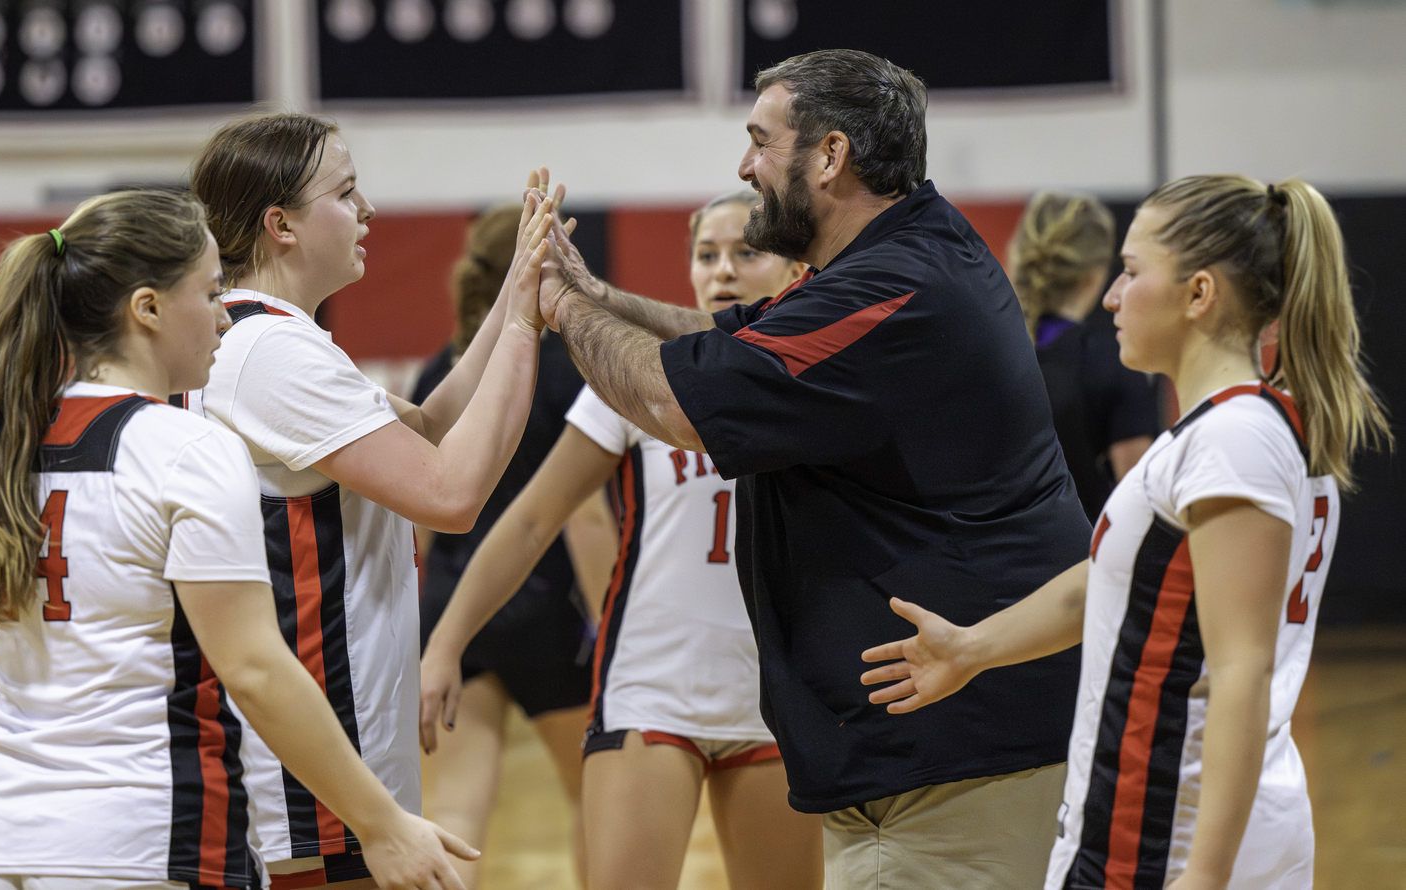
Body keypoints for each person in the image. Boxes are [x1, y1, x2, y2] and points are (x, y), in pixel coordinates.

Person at [533, 49, 1091, 888]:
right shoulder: (900, 254)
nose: (744, 165)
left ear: (830, 156)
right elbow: (722, 340)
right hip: (921, 756)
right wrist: (594, 291)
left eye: (761, 141)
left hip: (952, 763)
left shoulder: (894, 289)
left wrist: (561, 306)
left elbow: (673, 404)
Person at [0, 189, 484, 890]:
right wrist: (382, 823)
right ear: (146, 309)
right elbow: (255, 667)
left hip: (2, 843)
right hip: (150, 839)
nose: (223, 317)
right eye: (211, 293)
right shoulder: (186, 450)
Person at [862, 175, 1392, 890]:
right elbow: (1107, 589)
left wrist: (1203, 875)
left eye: (1133, 272)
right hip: (1165, 819)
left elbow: (1243, 672)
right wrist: (972, 649)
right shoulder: (1226, 430)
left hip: (1169, 833)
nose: (1111, 295)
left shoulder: (1234, 439)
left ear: (1199, 294)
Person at [187, 113, 558, 890]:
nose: (369, 210)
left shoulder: (267, 338)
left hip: (322, 769)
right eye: (347, 192)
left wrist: (516, 286)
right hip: (311, 783)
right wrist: (525, 321)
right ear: (280, 224)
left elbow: (429, 426)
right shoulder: (270, 357)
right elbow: (450, 495)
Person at [422, 189, 821, 890]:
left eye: (746, 252)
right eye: (707, 254)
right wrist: (446, 644)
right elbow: (535, 519)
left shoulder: (825, 384)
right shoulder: (645, 376)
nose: (722, 269)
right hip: (650, 687)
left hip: (774, 692)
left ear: (795, 272)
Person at [412, 205, 599, 889]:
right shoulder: (568, 366)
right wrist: (611, 621)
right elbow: (585, 519)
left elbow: (417, 517)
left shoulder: (440, 368)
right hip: (548, 610)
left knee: (455, 818)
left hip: (451, 609)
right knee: (592, 800)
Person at [1008, 192, 1161, 522]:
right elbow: (1139, 498)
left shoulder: (986, 349)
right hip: (1083, 560)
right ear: (1094, 276)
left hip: (987, 558)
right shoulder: (1110, 361)